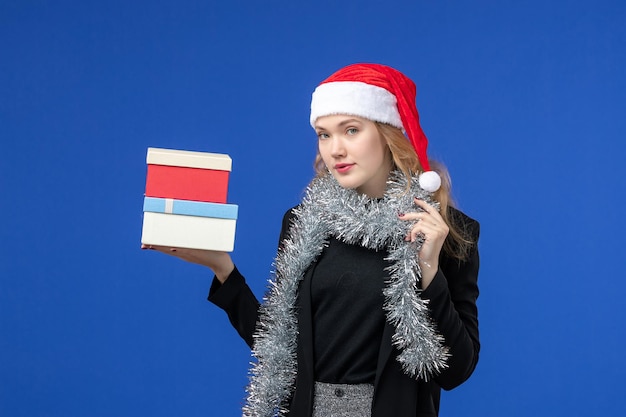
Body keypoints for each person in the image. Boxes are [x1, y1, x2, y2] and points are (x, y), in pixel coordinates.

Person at [144, 63, 480, 417]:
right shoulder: (304, 222)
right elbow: (281, 349)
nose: (335, 149)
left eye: (351, 130)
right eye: (324, 134)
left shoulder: (446, 233)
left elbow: (455, 370)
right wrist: (222, 269)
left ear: (387, 133)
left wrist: (428, 268)